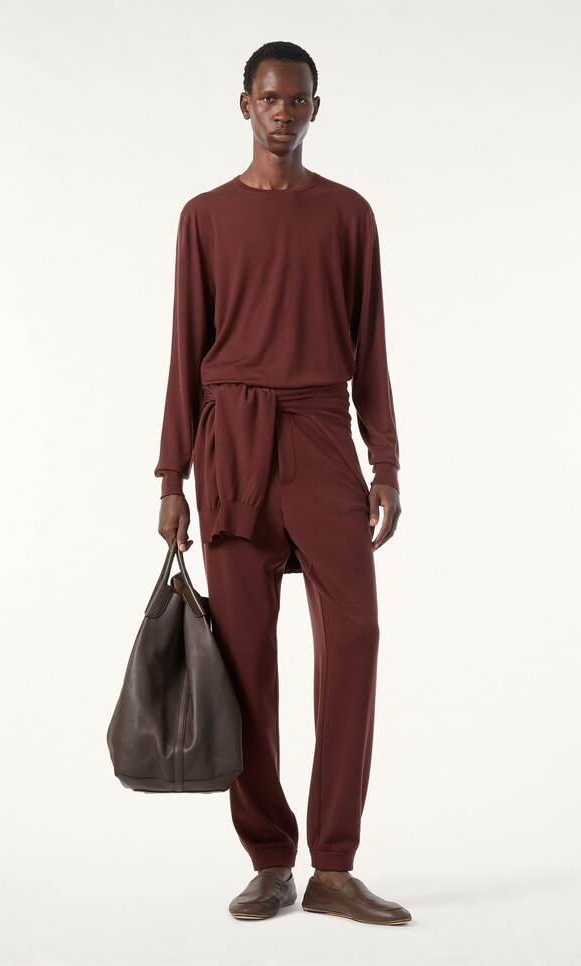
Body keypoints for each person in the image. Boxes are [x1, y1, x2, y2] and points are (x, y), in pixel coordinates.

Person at [154, 40, 412, 926]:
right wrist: (171, 475)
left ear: (315, 108)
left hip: (321, 435)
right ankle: (270, 859)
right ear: (245, 105)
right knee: (243, 660)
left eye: (298, 100)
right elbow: (184, 352)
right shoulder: (204, 217)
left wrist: (385, 461)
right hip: (231, 444)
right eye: (270, 98)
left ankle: (333, 865)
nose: (284, 113)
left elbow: (371, 348)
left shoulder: (348, 214)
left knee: (356, 636)